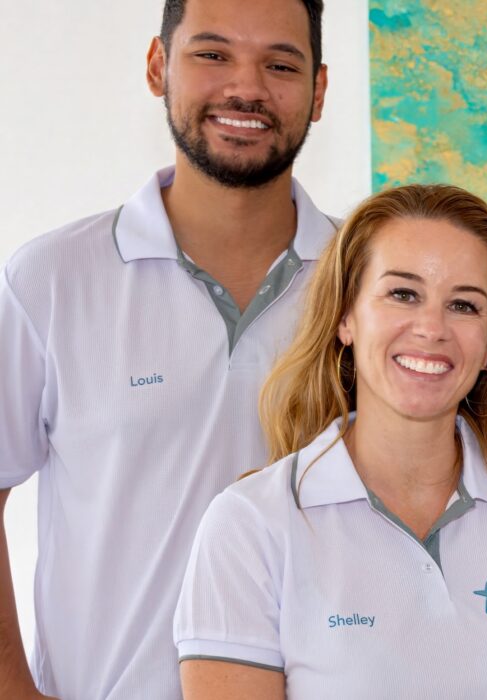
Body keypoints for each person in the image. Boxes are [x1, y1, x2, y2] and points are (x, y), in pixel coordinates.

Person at [0, 0, 332, 697]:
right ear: (159, 67)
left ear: (319, 90)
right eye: (212, 54)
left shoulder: (371, 289)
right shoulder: (48, 281)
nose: (246, 87)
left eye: (280, 64)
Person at [172, 184, 487, 698]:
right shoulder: (250, 526)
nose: (431, 328)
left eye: (464, 305)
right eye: (402, 294)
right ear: (345, 317)